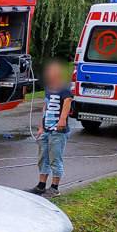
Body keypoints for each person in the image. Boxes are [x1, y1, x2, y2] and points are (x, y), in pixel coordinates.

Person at [29, 60, 73, 198]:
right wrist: (41, 126)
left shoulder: (64, 88)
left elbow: (67, 102)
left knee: (55, 158)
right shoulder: (49, 87)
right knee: (43, 158)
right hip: (47, 128)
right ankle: (41, 185)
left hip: (58, 131)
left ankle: (55, 187)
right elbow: (46, 105)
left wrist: (62, 119)